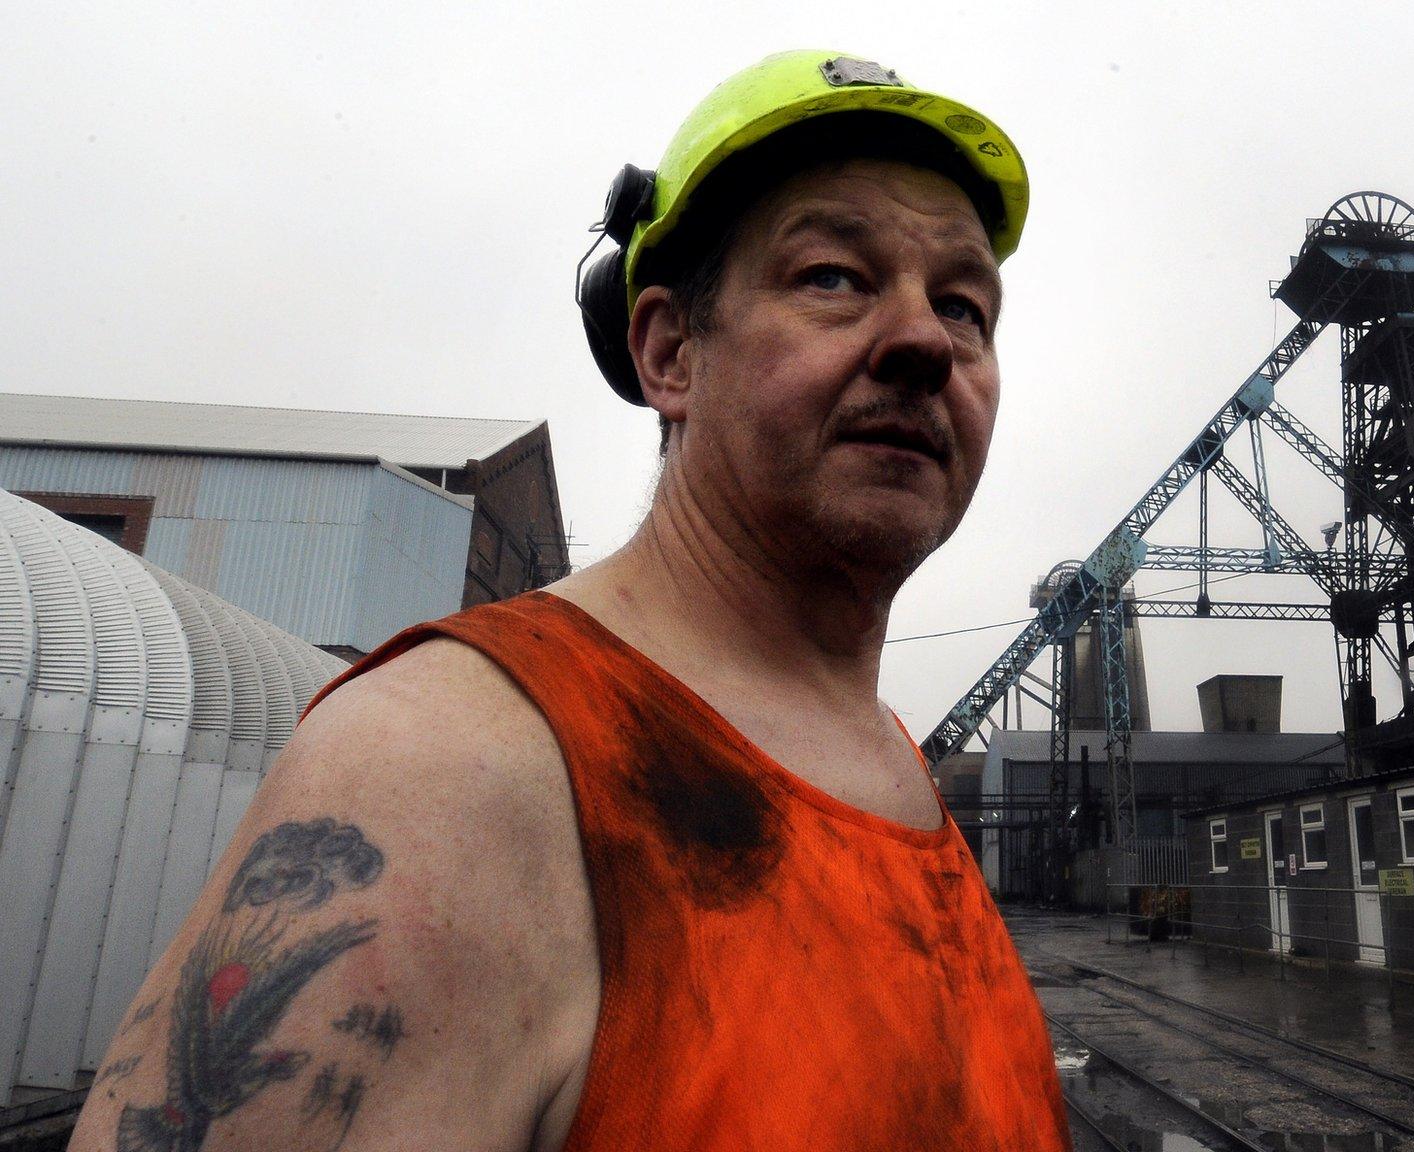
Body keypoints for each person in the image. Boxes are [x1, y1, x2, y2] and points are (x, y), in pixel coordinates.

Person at [70, 50, 1070, 1152]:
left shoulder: (888, 762)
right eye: (831, 275)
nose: (926, 339)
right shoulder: (455, 765)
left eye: (965, 304)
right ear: (669, 351)